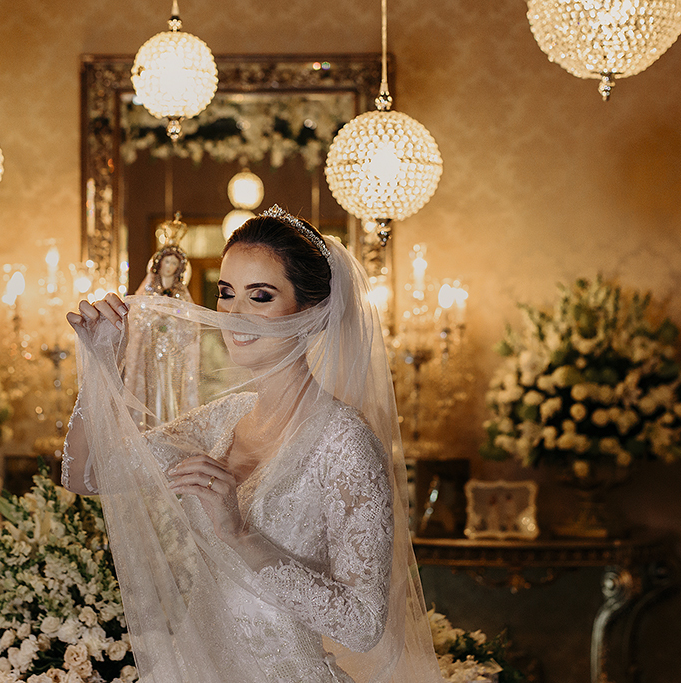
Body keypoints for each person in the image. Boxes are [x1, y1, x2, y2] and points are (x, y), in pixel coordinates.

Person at [64, 206, 442, 683]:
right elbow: (87, 474)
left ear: (313, 313)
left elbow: (364, 626)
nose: (233, 315)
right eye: (226, 293)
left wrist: (240, 533)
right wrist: (100, 365)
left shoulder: (344, 442)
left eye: (260, 296)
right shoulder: (223, 418)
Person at [124, 243, 199, 429]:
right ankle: (153, 425)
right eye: (167, 262)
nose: (169, 267)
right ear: (159, 264)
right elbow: (137, 319)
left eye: (174, 263)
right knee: (153, 388)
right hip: (152, 350)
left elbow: (190, 324)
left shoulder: (181, 294)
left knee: (173, 389)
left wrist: (173, 317)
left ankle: (172, 426)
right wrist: (155, 317)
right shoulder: (148, 291)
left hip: (174, 352)